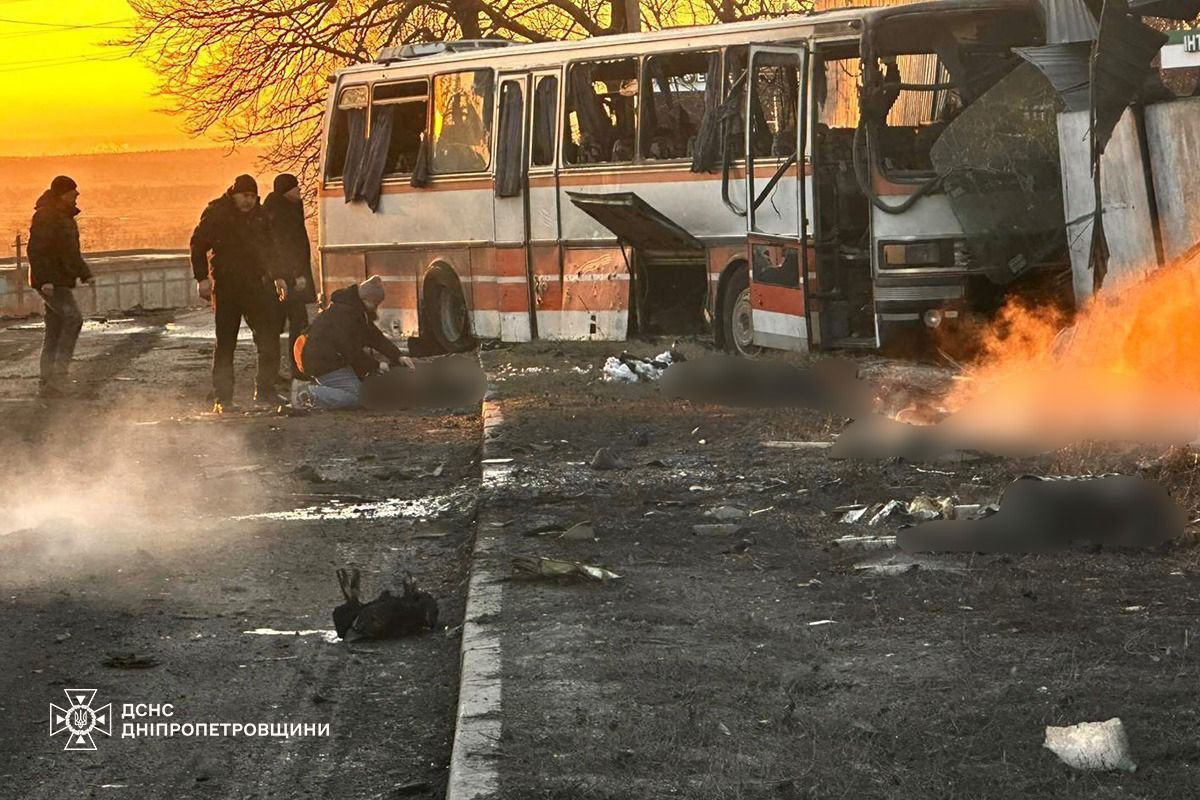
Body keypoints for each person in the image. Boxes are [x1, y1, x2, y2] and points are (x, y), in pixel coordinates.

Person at [190, 174, 287, 413]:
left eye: (253, 196)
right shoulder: (217, 213)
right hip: (227, 286)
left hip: (256, 285)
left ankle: (265, 392)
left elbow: (271, 247)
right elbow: (198, 244)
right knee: (226, 343)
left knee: (268, 338)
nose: (249, 201)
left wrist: (278, 276)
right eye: (245, 196)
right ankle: (223, 399)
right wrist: (202, 278)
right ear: (234, 194)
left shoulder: (260, 215)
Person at [293, 276, 411, 410]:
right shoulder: (347, 316)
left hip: (326, 359)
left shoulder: (353, 310)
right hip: (322, 362)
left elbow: (374, 337)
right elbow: (351, 352)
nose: (375, 309)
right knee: (356, 396)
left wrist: (398, 356)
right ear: (367, 300)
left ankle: (321, 390)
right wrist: (376, 365)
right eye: (375, 304)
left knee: (356, 390)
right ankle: (308, 393)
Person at [28, 175, 92, 398]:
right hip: (52, 282)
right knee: (73, 319)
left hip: (59, 280)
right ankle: (58, 377)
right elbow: (37, 251)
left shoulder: (62, 216)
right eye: (73, 192)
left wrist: (85, 274)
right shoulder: (46, 217)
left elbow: (70, 252)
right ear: (62, 194)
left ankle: (48, 381)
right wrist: (45, 280)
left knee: (55, 328)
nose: (77, 195)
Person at [262, 173, 315, 381]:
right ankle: (291, 370)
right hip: (284, 280)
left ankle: (286, 371)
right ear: (285, 190)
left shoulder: (286, 209)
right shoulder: (279, 213)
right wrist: (293, 275)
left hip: (286, 279)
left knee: (287, 325)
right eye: (295, 187)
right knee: (291, 324)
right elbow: (281, 249)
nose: (299, 190)